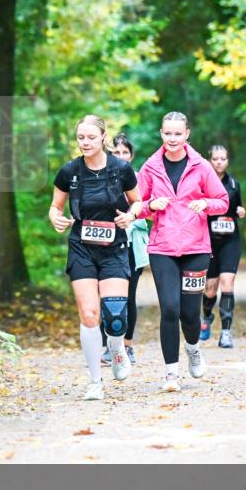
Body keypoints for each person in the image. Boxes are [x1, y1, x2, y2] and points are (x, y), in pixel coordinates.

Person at [50, 115, 142, 400]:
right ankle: (94, 381)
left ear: (103, 138)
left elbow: (137, 201)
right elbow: (55, 207)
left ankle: (117, 350)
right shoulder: (69, 172)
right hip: (82, 246)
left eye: (91, 137)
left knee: (115, 316)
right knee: (89, 315)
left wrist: (131, 216)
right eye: (81, 138)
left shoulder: (121, 169)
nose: (86, 142)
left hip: (114, 245)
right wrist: (56, 218)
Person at [136, 112, 229, 392]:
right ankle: (170, 374)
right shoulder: (150, 167)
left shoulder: (201, 166)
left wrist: (206, 205)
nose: (172, 139)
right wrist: (151, 206)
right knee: (170, 309)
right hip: (162, 248)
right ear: (161, 134)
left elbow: (222, 201)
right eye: (167, 134)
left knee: (190, 314)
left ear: (187, 134)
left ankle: (193, 348)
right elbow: (135, 206)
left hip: (196, 249)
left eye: (178, 134)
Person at [100, 133, 149, 367]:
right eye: (116, 152)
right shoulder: (101, 178)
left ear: (131, 156)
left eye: (125, 153)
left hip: (131, 246)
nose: (121, 156)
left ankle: (127, 346)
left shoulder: (139, 179)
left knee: (128, 297)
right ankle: (109, 346)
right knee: (107, 296)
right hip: (106, 245)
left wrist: (130, 219)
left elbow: (147, 211)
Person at [200, 145, 246, 348]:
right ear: (210, 160)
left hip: (230, 240)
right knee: (210, 289)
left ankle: (226, 332)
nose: (219, 162)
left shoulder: (234, 184)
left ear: (227, 161)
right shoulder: (203, 184)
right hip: (209, 241)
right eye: (216, 159)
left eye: (223, 158)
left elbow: (238, 208)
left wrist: (240, 211)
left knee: (227, 283)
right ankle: (207, 317)